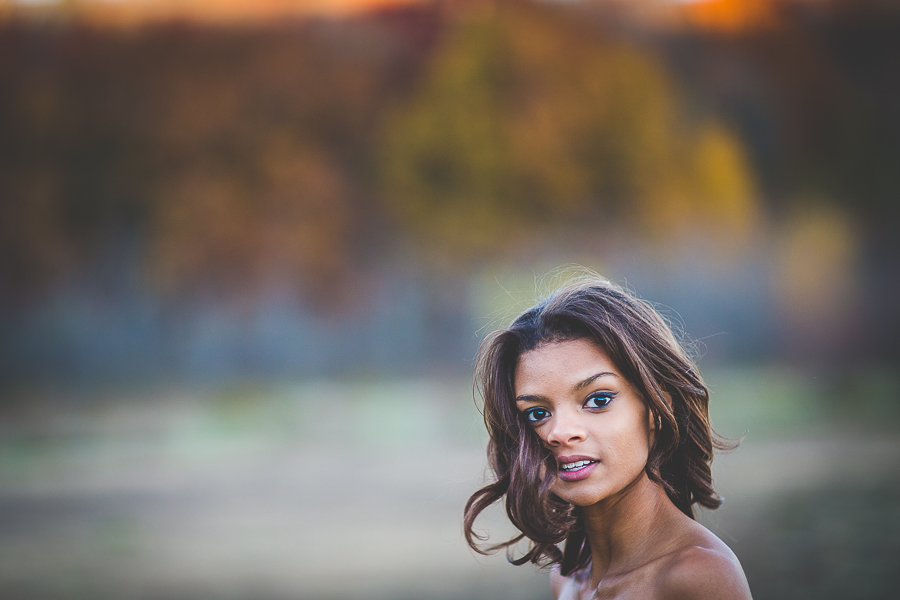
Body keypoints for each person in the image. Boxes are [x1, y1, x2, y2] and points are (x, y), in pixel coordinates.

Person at [464, 276, 752, 599]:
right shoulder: (567, 580)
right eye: (537, 413)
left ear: (658, 406)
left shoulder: (700, 575)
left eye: (598, 400)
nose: (559, 433)